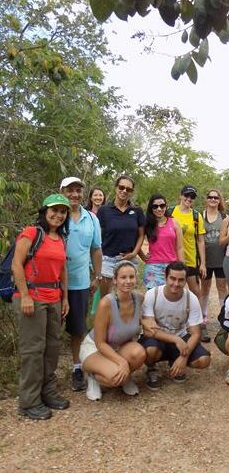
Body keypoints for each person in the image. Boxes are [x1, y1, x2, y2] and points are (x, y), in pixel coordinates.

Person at [12, 194, 71, 420]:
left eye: (63, 212)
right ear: (44, 211)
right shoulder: (32, 233)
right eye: (54, 210)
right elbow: (17, 265)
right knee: (33, 350)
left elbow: (62, 270)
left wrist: (64, 298)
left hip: (53, 297)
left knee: (51, 347)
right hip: (32, 297)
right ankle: (28, 401)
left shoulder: (60, 239)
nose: (58, 215)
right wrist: (25, 296)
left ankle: (47, 392)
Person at [60, 176, 103, 392]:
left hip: (80, 282)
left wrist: (97, 275)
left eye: (78, 190)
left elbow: (96, 249)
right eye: (70, 190)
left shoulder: (91, 218)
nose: (74, 194)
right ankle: (44, 375)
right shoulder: (57, 214)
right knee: (49, 330)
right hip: (53, 282)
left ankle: (77, 367)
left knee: (78, 328)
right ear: (62, 191)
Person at [80, 260, 146, 401]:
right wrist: (121, 362)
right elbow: (100, 342)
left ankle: (125, 377)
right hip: (95, 348)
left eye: (131, 277)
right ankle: (93, 377)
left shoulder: (139, 299)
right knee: (115, 377)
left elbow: (147, 318)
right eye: (123, 277)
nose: (128, 281)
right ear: (115, 280)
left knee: (139, 353)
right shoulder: (107, 303)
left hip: (118, 347)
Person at [140, 262, 211, 390]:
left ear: (185, 281)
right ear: (165, 277)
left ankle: (175, 360)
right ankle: (151, 368)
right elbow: (149, 330)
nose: (176, 284)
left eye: (181, 280)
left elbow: (196, 333)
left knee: (204, 360)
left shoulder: (191, 298)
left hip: (181, 337)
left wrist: (184, 356)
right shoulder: (153, 295)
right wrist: (176, 339)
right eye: (172, 278)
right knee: (150, 350)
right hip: (159, 338)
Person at [96, 175, 145, 299]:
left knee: (125, 298)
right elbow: (97, 236)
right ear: (115, 188)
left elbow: (141, 235)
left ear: (132, 192)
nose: (124, 191)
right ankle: (106, 318)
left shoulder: (137, 211)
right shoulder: (104, 210)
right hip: (108, 259)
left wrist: (134, 253)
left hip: (129, 260)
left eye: (128, 189)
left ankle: (125, 318)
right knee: (106, 298)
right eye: (121, 187)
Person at [169, 185, 206, 306]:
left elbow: (200, 241)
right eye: (186, 195)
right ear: (180, 196)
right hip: (171, 258)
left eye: (192, 197)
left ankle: (198, 319)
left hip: (190, 259)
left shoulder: (196, 216)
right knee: (173, 289)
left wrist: (203, 264)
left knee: (195, 291)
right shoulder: (169, 212)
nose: (189, 199)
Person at [140, 193, 184, 289]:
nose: (159, 209)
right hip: (153, 267)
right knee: (154, 298)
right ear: (151, 208)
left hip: (172, 266)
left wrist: (182, 267)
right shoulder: (146, 224)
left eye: (162, 206)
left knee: (171, 298)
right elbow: (137, 242)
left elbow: (180, 247)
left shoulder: (174, 222)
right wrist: (143, 257)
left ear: (166, 206)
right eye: (155, 206)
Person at [200, 189, 228, 341]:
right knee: (204, 288)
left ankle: (225, 319)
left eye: (216, 197)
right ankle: (203, 320)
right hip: (205, 259)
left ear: (219, 200)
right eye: (210, 197)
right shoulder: (199, 216)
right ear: (206, 199)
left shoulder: (224, 217)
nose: (213, 199)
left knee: (222, 288)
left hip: (221, 259)